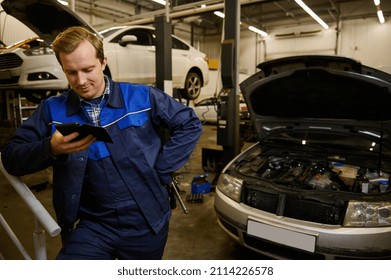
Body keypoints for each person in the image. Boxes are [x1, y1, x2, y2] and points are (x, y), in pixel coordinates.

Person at [1, 26, 202, 260]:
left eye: (88, 69)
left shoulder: (141, 97)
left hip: (146, 221)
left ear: (103, 62)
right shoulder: (52, 110)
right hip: (93, 225)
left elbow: (189, 123)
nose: (81, 81)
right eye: (71, 72)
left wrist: (161, 171)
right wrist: (50, 148)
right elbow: (11, 157)